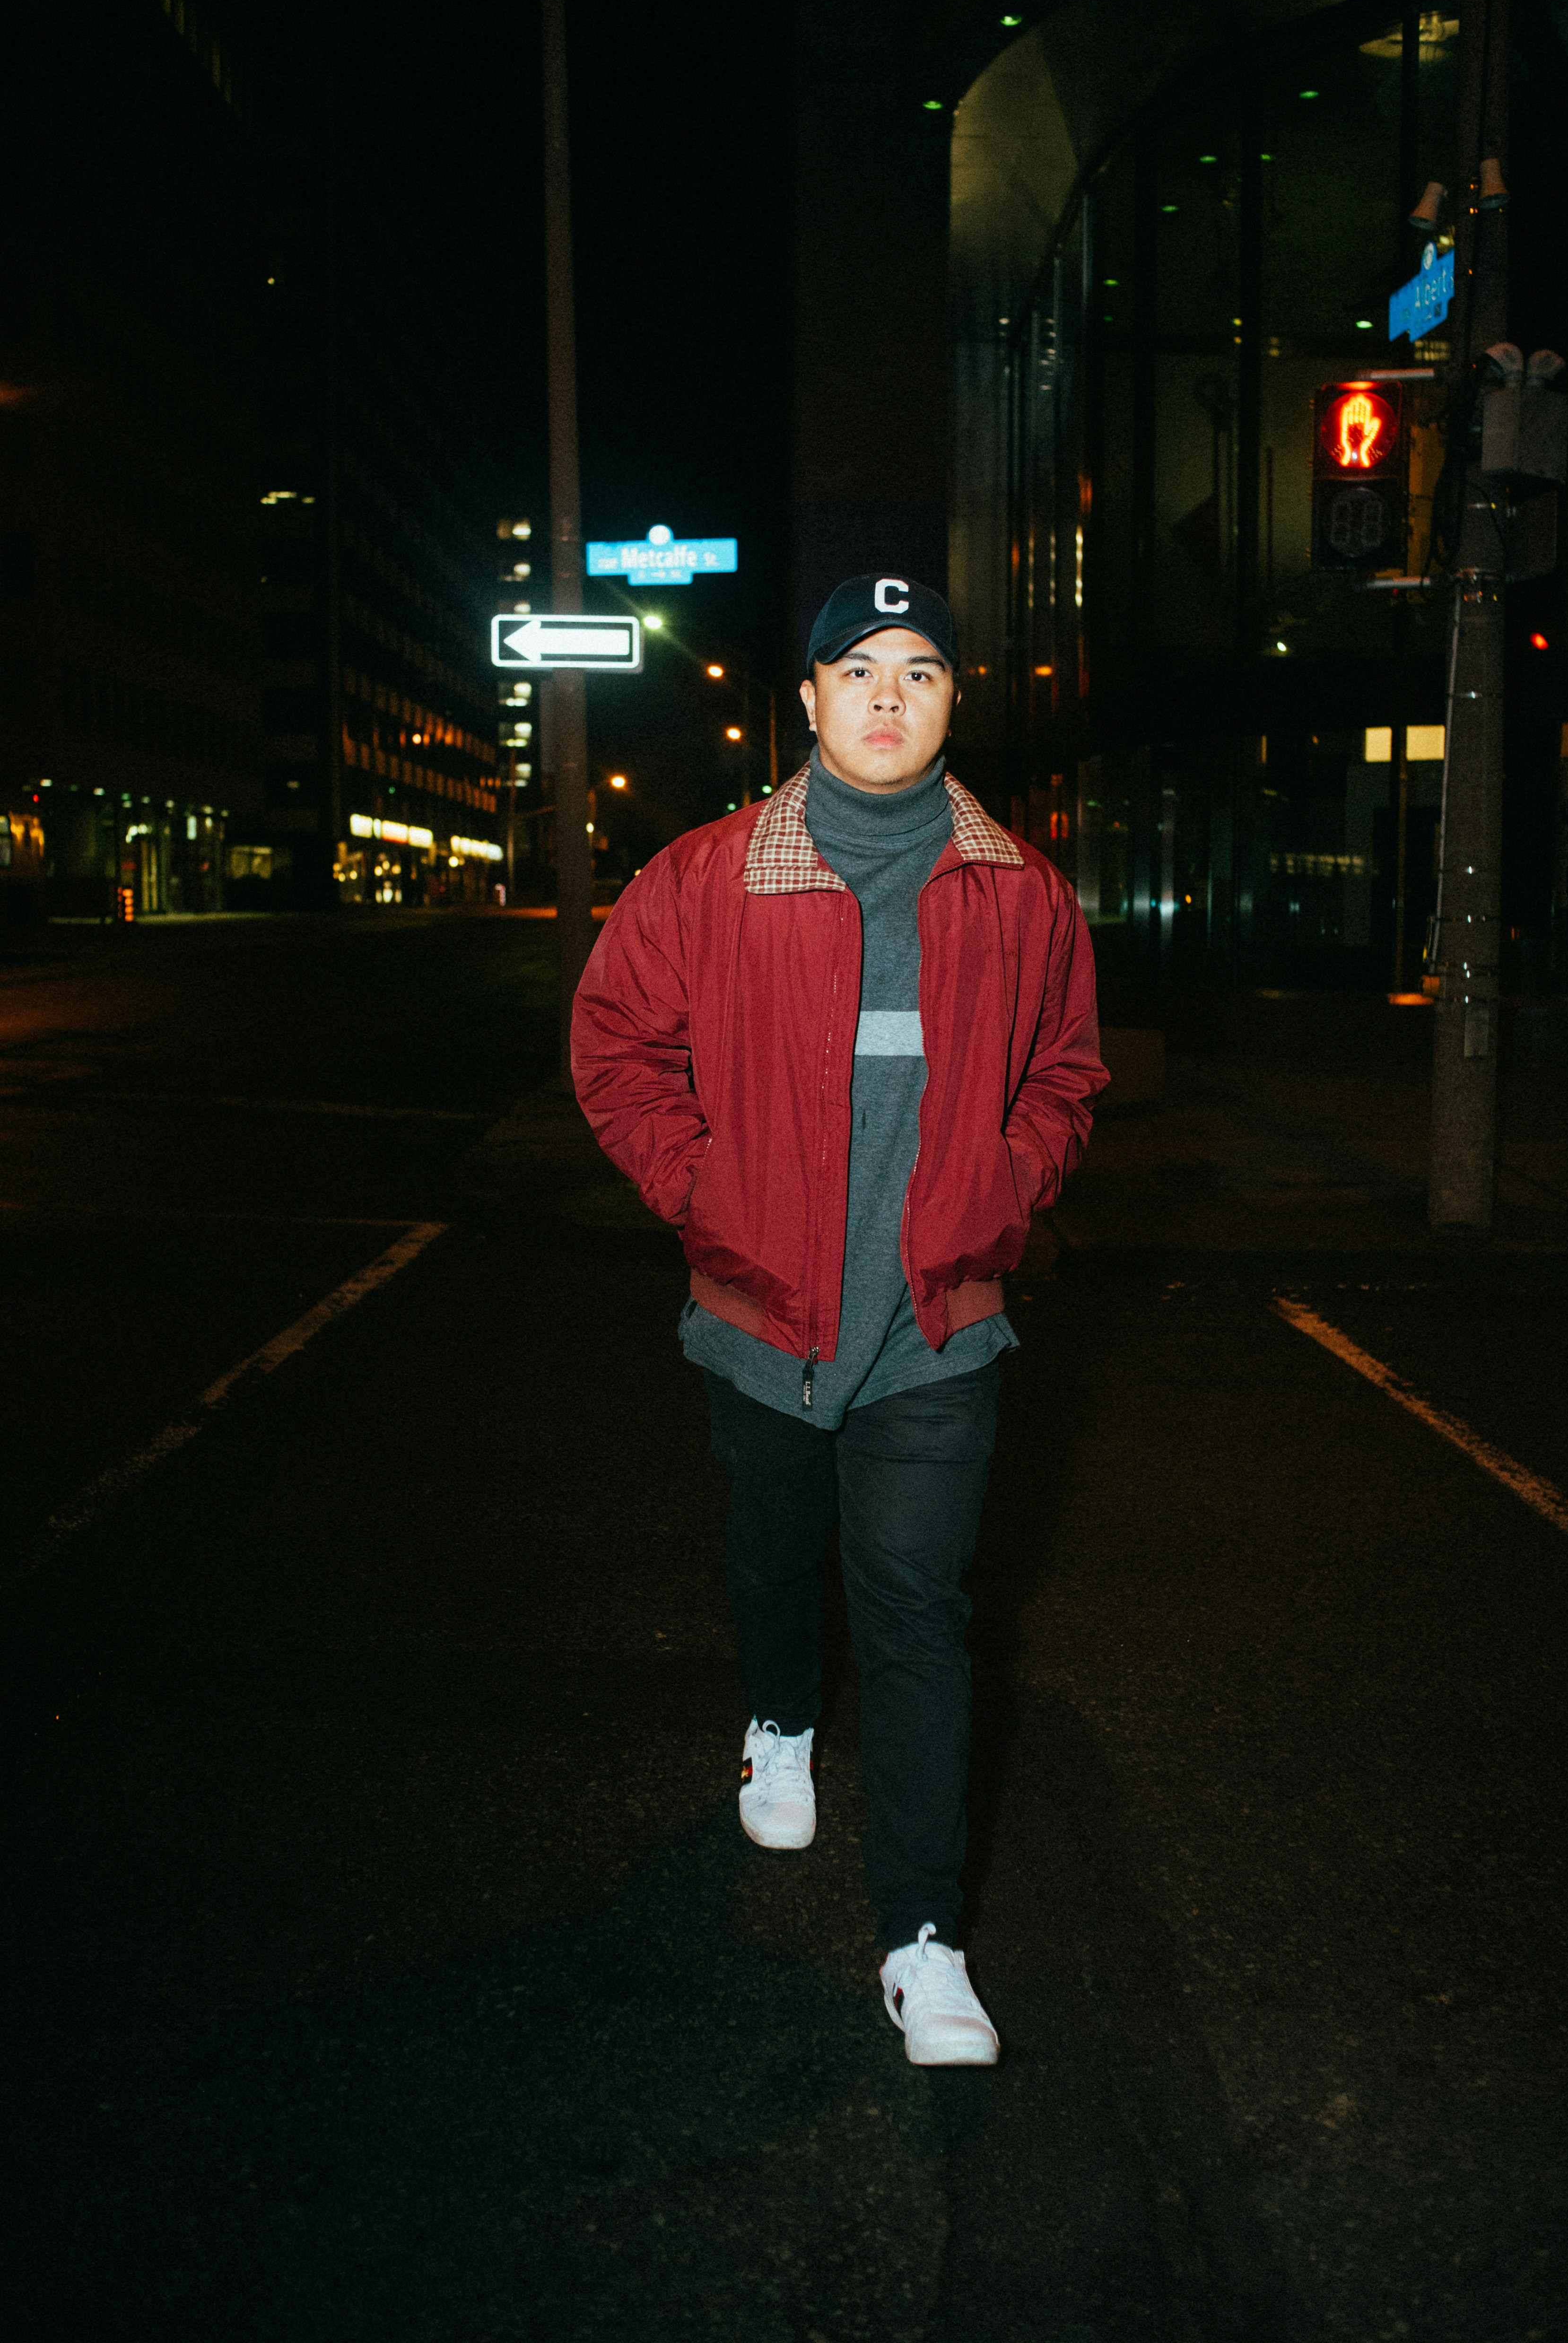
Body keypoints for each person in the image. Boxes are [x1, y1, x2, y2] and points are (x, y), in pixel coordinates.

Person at [572, 574, 1106, 2065]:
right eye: (856, 668)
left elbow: (1065, 1069)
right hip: (761, 1310)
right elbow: (615, 1048)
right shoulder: (705, 877)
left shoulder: (1020, 890)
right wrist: (703, 1191)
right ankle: (781, 1715)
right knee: (771, 1554)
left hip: (941, 1321)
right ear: (804, 701)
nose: (887, 692)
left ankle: (924, 1942)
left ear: (952, 703)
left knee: (922, 1617)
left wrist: (1010, 1183)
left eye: (921, 669)